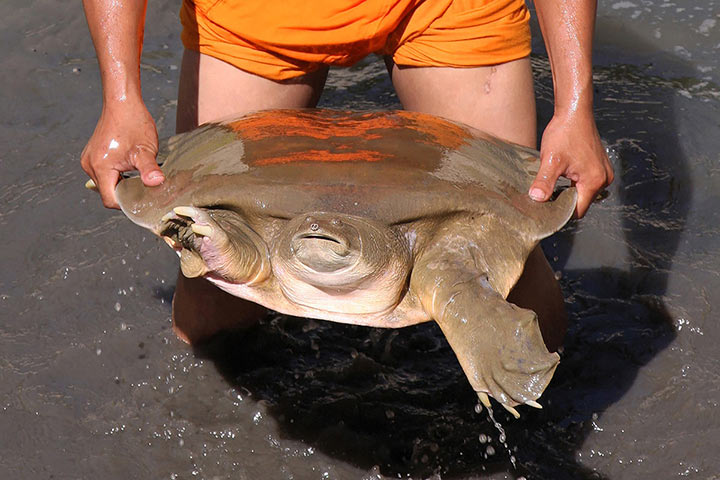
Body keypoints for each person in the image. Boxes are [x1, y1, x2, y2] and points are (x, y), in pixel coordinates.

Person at [80, 0, 613, 349]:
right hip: (258, 15)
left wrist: (575, 107)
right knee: (213, 271)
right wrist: (120, 97)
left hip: (448, 8)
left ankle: (549, 428)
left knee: (506, 251)